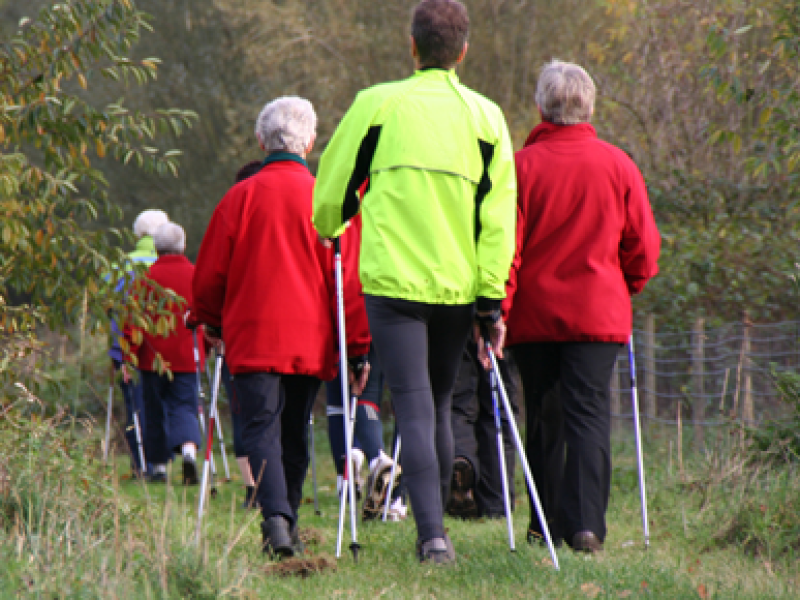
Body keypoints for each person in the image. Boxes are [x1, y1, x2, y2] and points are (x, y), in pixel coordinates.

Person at [313, 0, 516, 564]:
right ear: (463, 52)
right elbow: (498, 221)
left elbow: (330, 192)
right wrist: (491, 303)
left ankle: (432, 537)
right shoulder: (487, 117)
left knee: (413, 405)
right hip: (456, 286)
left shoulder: (376, 106)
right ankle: (437, 527)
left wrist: (331, 223)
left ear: (412, 46)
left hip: (394, 286)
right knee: (441, 398)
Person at [192, 97, 370, 559]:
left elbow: (211, 273)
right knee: (295, 427)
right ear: (310, 144)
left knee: (259, 426)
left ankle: (277, 519)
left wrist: (208, 320)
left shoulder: (238, 198)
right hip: (310, 336)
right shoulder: (329, 203)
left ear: (260, 141)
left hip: (252, 335)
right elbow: (349, 282)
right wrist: (358, 346)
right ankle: (284, 514)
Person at [505, 60, 661, 553]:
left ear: (541, 107)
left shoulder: (520, 167)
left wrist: (498, 309)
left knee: (544, 417)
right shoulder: (618, 165)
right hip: (598, 312)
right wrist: (627, 284)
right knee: (590, 415)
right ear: (590, 106)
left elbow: (504, 246)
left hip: (534, 315)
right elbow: (645, 247)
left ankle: (544, 524)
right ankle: (587, 526)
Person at [125, 222, 205, 485]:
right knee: (185, 407)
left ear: (156, 248)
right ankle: (189, 451)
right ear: (184, 246)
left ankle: (158, 466)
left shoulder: (146, 279)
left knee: (154, 410)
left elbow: (134, 321)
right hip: (188, 356)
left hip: (153, 359)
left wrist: (129, 356)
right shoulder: (197, 275)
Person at [108, 208, 169, 476]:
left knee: (135, 405)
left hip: (125, 345)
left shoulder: (123, 264)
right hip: (164, 348)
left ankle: (139, 463)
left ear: (137, 233)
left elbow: (108, 304)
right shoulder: (168, 262)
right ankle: (161, 463)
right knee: (164, 403)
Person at [446, 340, 519, 520]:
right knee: (497, 409)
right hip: (498, 326)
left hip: (457, 320)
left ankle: (461, 458)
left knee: (459, 404)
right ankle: (495, 500)